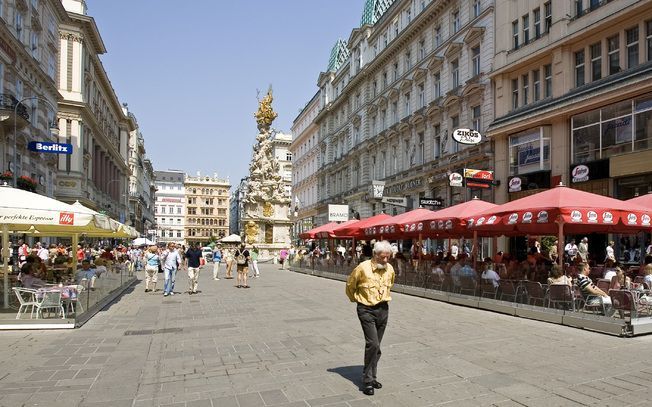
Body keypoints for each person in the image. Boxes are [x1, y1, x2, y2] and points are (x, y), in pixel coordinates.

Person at [345, 240, 395, 396]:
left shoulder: (390, 269)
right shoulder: (362, 268)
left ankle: (373, 376)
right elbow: (350, 285)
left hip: (383, 308)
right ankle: (367, 381)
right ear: (375, 255)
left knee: (377, 346)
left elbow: (391, 284)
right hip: (366, 309)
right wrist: (359, 301)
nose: (385, 260)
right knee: (372, 343)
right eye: (382, 257)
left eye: (388, 257)